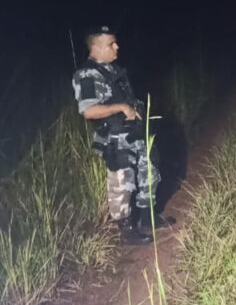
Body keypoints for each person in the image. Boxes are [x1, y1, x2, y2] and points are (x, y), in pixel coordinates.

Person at [71, 26, 168, 245]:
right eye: (110, 44)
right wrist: (122, 107)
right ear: (95, 47)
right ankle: (126, 230)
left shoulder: (113, 70)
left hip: (135, 133)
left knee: (148, 172)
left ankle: (148, 218)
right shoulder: (87, 74)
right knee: (121, 183)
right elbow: (88, 111)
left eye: (116, 42)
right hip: (117, 138)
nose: (117, 46)